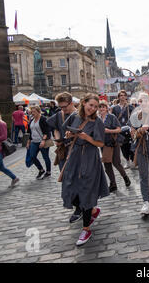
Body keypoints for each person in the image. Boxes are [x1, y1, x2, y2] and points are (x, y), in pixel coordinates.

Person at [62, 93, 109, 246]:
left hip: (89, 158)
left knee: (86, 191)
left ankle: (86, 228)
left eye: (95, 106)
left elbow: (100, 144)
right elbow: (66, 133)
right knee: (70, 188)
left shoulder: (97, 122)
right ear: (83, 103)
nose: (93, 108)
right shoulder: (74, 116)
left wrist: (86, 138)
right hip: (74, 156)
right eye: (91, 105)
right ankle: (92, 211)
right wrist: (69, 134)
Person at [47, 92, 83, 223]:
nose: (63, 109)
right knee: (67, 181)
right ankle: (78, 207)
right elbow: (55, 128)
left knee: (80, 180)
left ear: (71, 103)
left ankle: (86, 206)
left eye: (65, 106)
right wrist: (57, 139)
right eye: (60, 107)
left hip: (78, 151)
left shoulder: (80, 115)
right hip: (64, 152)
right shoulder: (59, 115)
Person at [98, 100, 131, 192]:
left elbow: (119, 129)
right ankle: (113, 184)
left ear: (107, 108)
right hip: (103, 144)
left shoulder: (112, 117)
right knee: (107, 164)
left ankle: (125, 177)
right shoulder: (97, 119)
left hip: (113, 143)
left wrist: (109, 131)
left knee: (116, 163)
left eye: (103, 107)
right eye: (100, 107)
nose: (102, 109)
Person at [26, 106, 52, 180]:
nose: (32, 113)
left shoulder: (43, 119)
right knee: (32, 156)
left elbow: (47, 131)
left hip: (43, 141)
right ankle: (41, 170)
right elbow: (30, 133)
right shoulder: (31, 120)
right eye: (32, 112)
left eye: (34, 112)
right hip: (34, 141)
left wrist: (43, 140)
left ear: (38, 111)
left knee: (45, 157)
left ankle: (48, 171)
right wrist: (28, 142)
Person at [112, 90, 135, 169]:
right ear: (118, 97)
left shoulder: (130, 107)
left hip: (129, 128)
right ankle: (127, 161)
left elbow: (134, 117)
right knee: (123, 146)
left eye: (124, 95)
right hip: (119, 129)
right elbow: (113, 119)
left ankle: (132, 161)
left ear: (126, 96)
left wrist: (133, 127)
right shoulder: (115, 108)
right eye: (121, 95)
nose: (122, 97)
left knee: (131, 145)